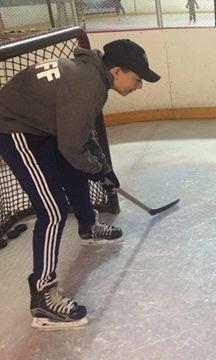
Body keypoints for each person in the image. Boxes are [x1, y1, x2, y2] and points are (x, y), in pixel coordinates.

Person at [0, 39, 160, 328]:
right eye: (137, 80)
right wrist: (99, 170)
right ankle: (43, 298)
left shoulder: (92, 76)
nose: (139, 87)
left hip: (41, 126)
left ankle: (88, 226)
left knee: (74, 170)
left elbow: (81, 135)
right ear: (117, 72)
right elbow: (73, 148)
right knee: (53, 211)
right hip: (14, 128)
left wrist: (103, 168)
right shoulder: (86, 87)